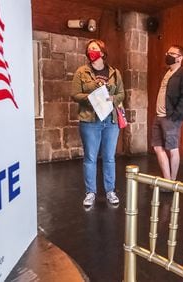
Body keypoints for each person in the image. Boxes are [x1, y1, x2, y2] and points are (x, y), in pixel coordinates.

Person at [71, 39, 124, 207]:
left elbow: (122, 94)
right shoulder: (82, 72)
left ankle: (110, 191)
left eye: (94, 49)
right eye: (88, 49)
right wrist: (91, 98)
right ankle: (90, 192)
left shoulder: (115, 73)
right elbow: (74, 94)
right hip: (90, 121)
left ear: (102, 52)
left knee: (109, 158)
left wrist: (112, 98)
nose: (90, 51)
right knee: (90, 158)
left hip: (111, 121)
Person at [151, 45, 183, 188]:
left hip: (170, 118)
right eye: (167, 52)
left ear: (180, 58)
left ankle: (172, 183)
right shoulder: (167, 72)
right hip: (158, 116)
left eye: (171, 53)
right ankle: (167, 180)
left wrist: (175, 117)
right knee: (157, 147)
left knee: (172, 149)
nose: (167, 55)